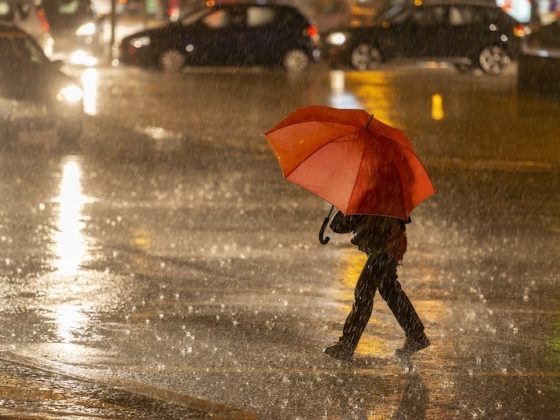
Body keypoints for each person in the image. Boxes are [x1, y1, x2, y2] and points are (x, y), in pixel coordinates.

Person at [323, 210, 429, 360]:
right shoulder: (377, 196)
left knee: (364, 291)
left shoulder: (375, 195)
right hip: (389, 245)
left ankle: (347, 344)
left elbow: (343, 224)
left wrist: (341, 212)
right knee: (389, 289)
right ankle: (416, 334)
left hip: (385, 248)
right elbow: (342, 225)